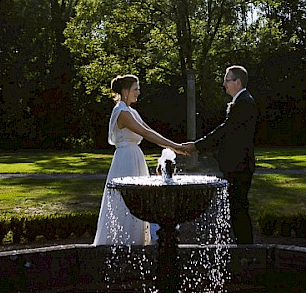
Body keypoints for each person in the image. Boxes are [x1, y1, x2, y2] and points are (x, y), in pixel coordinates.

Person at [93, 74, 188, 246]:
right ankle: (121, 243)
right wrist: (176, 147)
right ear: (125, 91)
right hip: (125, 159)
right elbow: (146, 134)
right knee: (126, 201)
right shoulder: (121, 112)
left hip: (135, 156)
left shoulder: (132, 111)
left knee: (140, 202)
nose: (138, 92)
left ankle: (138, 242)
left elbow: (149, 129)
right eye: (135, 89)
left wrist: (174, 146)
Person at [185, 65, 258, 244]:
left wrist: (196, 146)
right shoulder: (241, 101)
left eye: (227, 80)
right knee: (236, 209)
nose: (224, 84)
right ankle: (243, 249)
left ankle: (246, 251)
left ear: (238, 82)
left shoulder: (244, 103)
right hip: (235, 164)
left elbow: (225, 131)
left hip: (239, 165)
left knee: (238, 209)